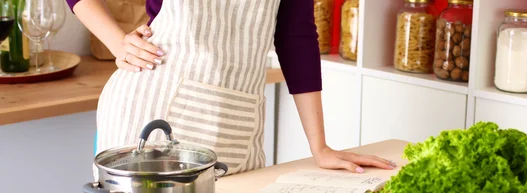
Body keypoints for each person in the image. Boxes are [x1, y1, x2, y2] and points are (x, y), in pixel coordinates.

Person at [67, 0, 397, 175]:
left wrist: (320, 147)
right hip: (154, 109)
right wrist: (116, 42)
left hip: (237, 121)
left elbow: (295, 34)